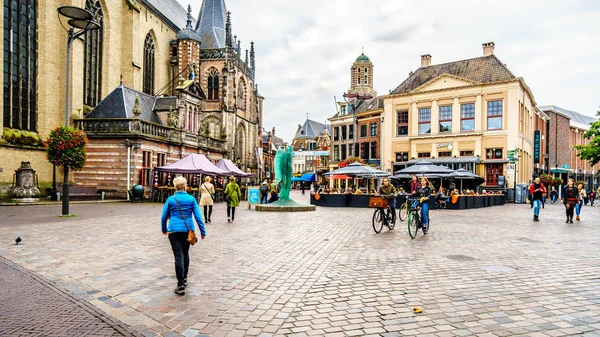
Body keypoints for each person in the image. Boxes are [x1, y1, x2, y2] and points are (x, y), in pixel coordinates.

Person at [161, 176, 206, 295]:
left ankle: (180, 284)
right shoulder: (191, 199)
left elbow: (164, 217)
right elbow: (198, 217)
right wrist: (202, 232)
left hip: (174, 230)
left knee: (178, 257)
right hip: (187, 230)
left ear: (175, 187)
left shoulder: (171, 199)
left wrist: (164, 229)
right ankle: (184, 278)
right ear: (185, 187)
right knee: (185, 254)